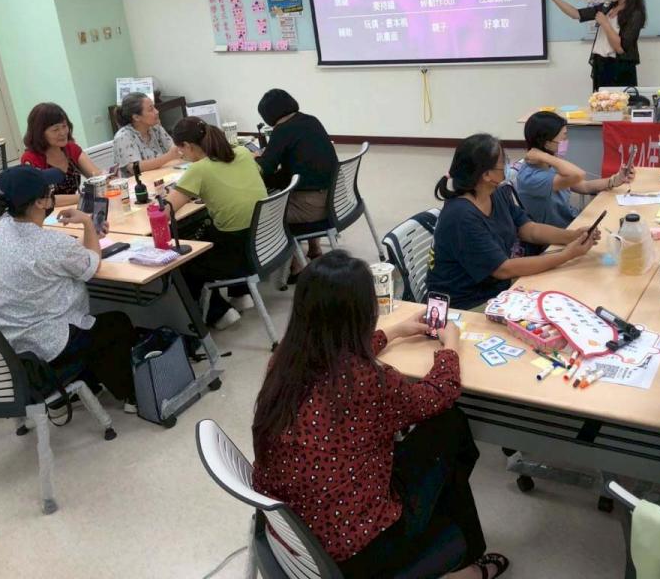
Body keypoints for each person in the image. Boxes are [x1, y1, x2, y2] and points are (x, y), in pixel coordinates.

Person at [253, 251, 509, 579]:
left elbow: (334, 351)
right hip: (360, 551)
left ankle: (458, 547)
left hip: (295, 537)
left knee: (428, 443)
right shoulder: (366, 382)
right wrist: (450, 345)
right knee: (450, 424)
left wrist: (395, 331)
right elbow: (438, 394)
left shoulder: (283, 360)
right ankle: (464, 560)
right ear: (364, 312)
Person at [0, 165, 138, 410]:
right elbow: (91, 264)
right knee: (116, 324)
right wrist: (87, 222)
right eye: (49, 191)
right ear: (40, 202)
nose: (52, 194)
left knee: (91, 327)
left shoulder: (2, 230)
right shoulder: (51, 244)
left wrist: (89, 237)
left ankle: (84, 385)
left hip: (8, 343)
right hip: (47, 343)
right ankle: (130, 397)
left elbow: (58, 258)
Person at [426, 133, 600, 310]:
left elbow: (528, 229)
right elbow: (503, 269)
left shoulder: (496, 193)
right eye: (503, 162)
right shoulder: (461, 216)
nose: (507, 165)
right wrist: (567, 255)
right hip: (465, 306)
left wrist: (572, 236)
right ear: (486, 174)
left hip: (497, 290)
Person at [167, 117, 267, 329]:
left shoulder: (198, 170)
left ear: (188, 146)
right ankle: (241, 294)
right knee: (213, 229)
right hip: (263, 242)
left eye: (180, 150)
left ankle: (218, 313)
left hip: (237, 255)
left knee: (183, 259)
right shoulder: (242, 152)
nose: (181, 155)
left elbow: (166, 211)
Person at [255, 89, 338, 268]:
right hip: (335, 200)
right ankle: (314, 248)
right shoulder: (311, 120)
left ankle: (295, 267)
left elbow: (265, 168)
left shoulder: (282, 130)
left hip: (312, 208)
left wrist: (251, 160)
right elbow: (295, 170)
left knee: (259, 216)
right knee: (287, 189)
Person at [513, 111, 635, 227]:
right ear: (547, 143)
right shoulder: (532, 177)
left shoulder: (549, 163)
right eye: (563, 137)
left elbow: (584, 186)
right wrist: (546, 156)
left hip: (571, 220)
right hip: (557, 233)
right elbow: (578, 175)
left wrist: (615, 180)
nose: (566, 141)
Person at [546, 0, 646, 90]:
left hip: (619, 69)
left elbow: (620, 48)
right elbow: (576, 14)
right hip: (601, 65)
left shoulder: (635, 14)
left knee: (618, 102)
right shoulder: (608, 6)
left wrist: (605, 23)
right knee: (599, 101)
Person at [20, 103, 100, 206]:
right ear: (39, 133)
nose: (62, 133)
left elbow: (96, 176)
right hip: (49, 214)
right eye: (55, 129)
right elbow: (44, 200)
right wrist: (86, 196)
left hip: (76, 208)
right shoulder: (31, 158)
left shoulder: (71, 148)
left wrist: (107, 178)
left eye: (64, 126)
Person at [112, 92, 180, 177]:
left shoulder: (156, 128)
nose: (157, 112)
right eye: (151, 109)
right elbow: (135, 168)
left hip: (163, 176)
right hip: (139, 183)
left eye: (154, 107)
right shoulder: (123, 137)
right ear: (136, 117)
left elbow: (174, 150)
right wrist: (168, 157)